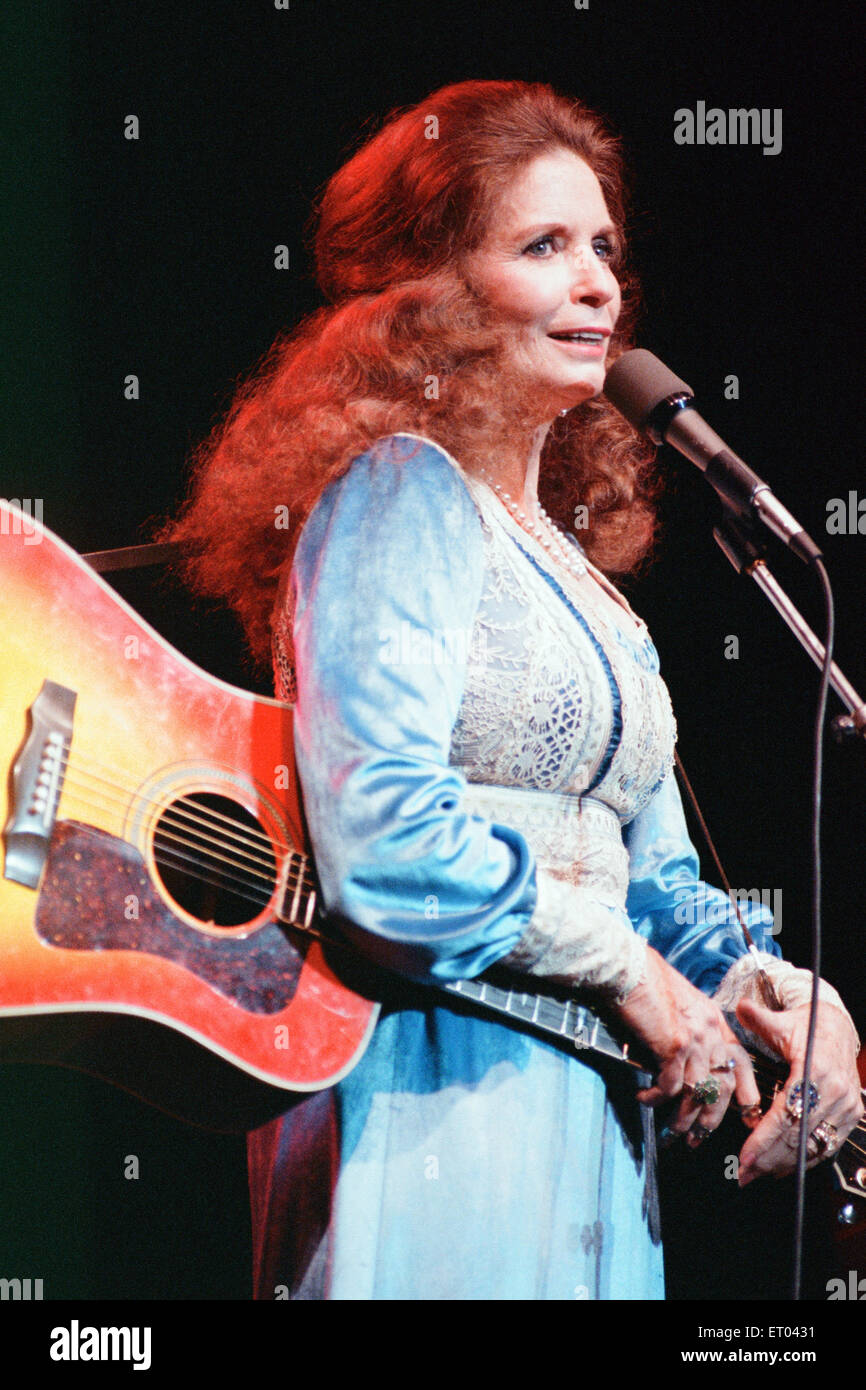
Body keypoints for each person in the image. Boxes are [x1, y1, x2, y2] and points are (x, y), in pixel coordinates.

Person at [164, 80, 862, 1300]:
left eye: (601, 247)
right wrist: (633, 977)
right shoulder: (400, 492)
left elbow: (654, 885)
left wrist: (781, 991)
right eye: (543, 246)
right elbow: (385, 838)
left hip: (589, 1116)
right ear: (430, 300)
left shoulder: (587, 589)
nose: (598, 282)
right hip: (433, 1092)